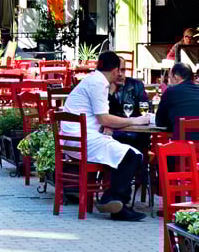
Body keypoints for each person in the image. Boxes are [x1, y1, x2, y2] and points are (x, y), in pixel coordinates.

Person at [60, 52, 153, 221]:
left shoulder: (92, 79)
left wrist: (106, 124)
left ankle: (112, 200)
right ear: (116, 70)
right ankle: (115, 202)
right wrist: (134, 121)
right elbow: (103, 117)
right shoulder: (99, 83)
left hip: (75, 140)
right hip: (82, 141)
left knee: (123, 153)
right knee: (133, 156)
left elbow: (97, 116)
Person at [156, 63, 199, 140]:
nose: (170, 82)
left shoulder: (171, 92)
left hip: (186, 147)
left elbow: (160, 122)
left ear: (176, 77)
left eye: (170, 78)